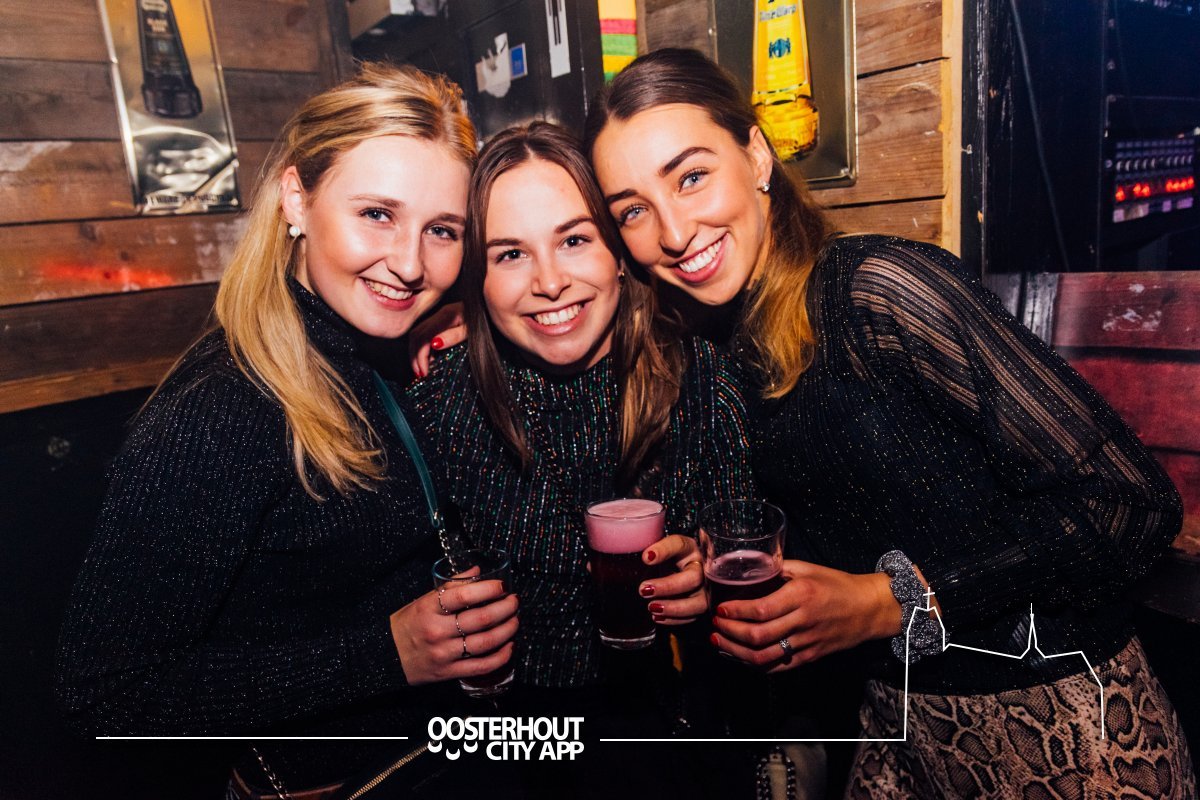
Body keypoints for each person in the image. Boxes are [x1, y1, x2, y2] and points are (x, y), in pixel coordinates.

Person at [581, 48, 1196, 799]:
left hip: (1066, 734)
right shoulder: (715, 351)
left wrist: (892, 600)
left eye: (691, 176)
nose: (674, 231)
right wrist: (708, 572)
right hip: (897, 733)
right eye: (633, 210)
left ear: (757, 156)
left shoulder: (880, 292)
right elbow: (827, 538)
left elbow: (1131, 505)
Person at [55, 64, 517, 795]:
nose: (409, 263)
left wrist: (473, 326)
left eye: (441, 231)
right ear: (297, 198)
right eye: (377, 214)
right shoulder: (221, 412)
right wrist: (384, 654)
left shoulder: (378, 350)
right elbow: (106, 698)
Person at [406, 121, 757, 797]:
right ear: (478, 279)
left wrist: (707, 584)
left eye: (574, 239)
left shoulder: (704, 382)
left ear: (619, 253)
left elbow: (751, 581)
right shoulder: (438, 403)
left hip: (677, 743)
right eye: (511, 254)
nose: (549, 282)